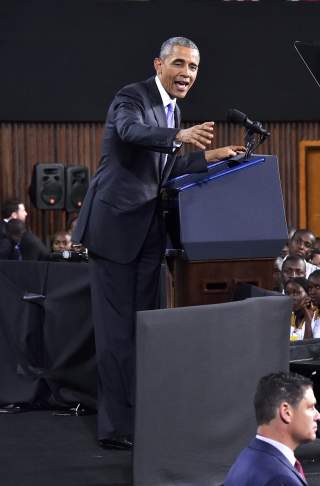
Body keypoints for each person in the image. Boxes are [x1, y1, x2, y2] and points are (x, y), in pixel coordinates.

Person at [71, 37, 244, 450]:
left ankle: (146, 416)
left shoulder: (173, 111)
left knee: (148, 328)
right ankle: (115, 427)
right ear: (159, 64)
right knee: (116, 334)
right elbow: (131, 133)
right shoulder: (132, 97)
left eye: (195, 67)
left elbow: (167, 168)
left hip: (150, 232)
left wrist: (213, 155)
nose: (187, 73)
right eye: (180, 63)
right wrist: (179, 134)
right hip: (115, 232)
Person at [224, 372, 320, 486]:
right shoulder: (280, 479)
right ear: (286, 412)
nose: (318, 416)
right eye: (310, 407)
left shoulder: (246, 459)